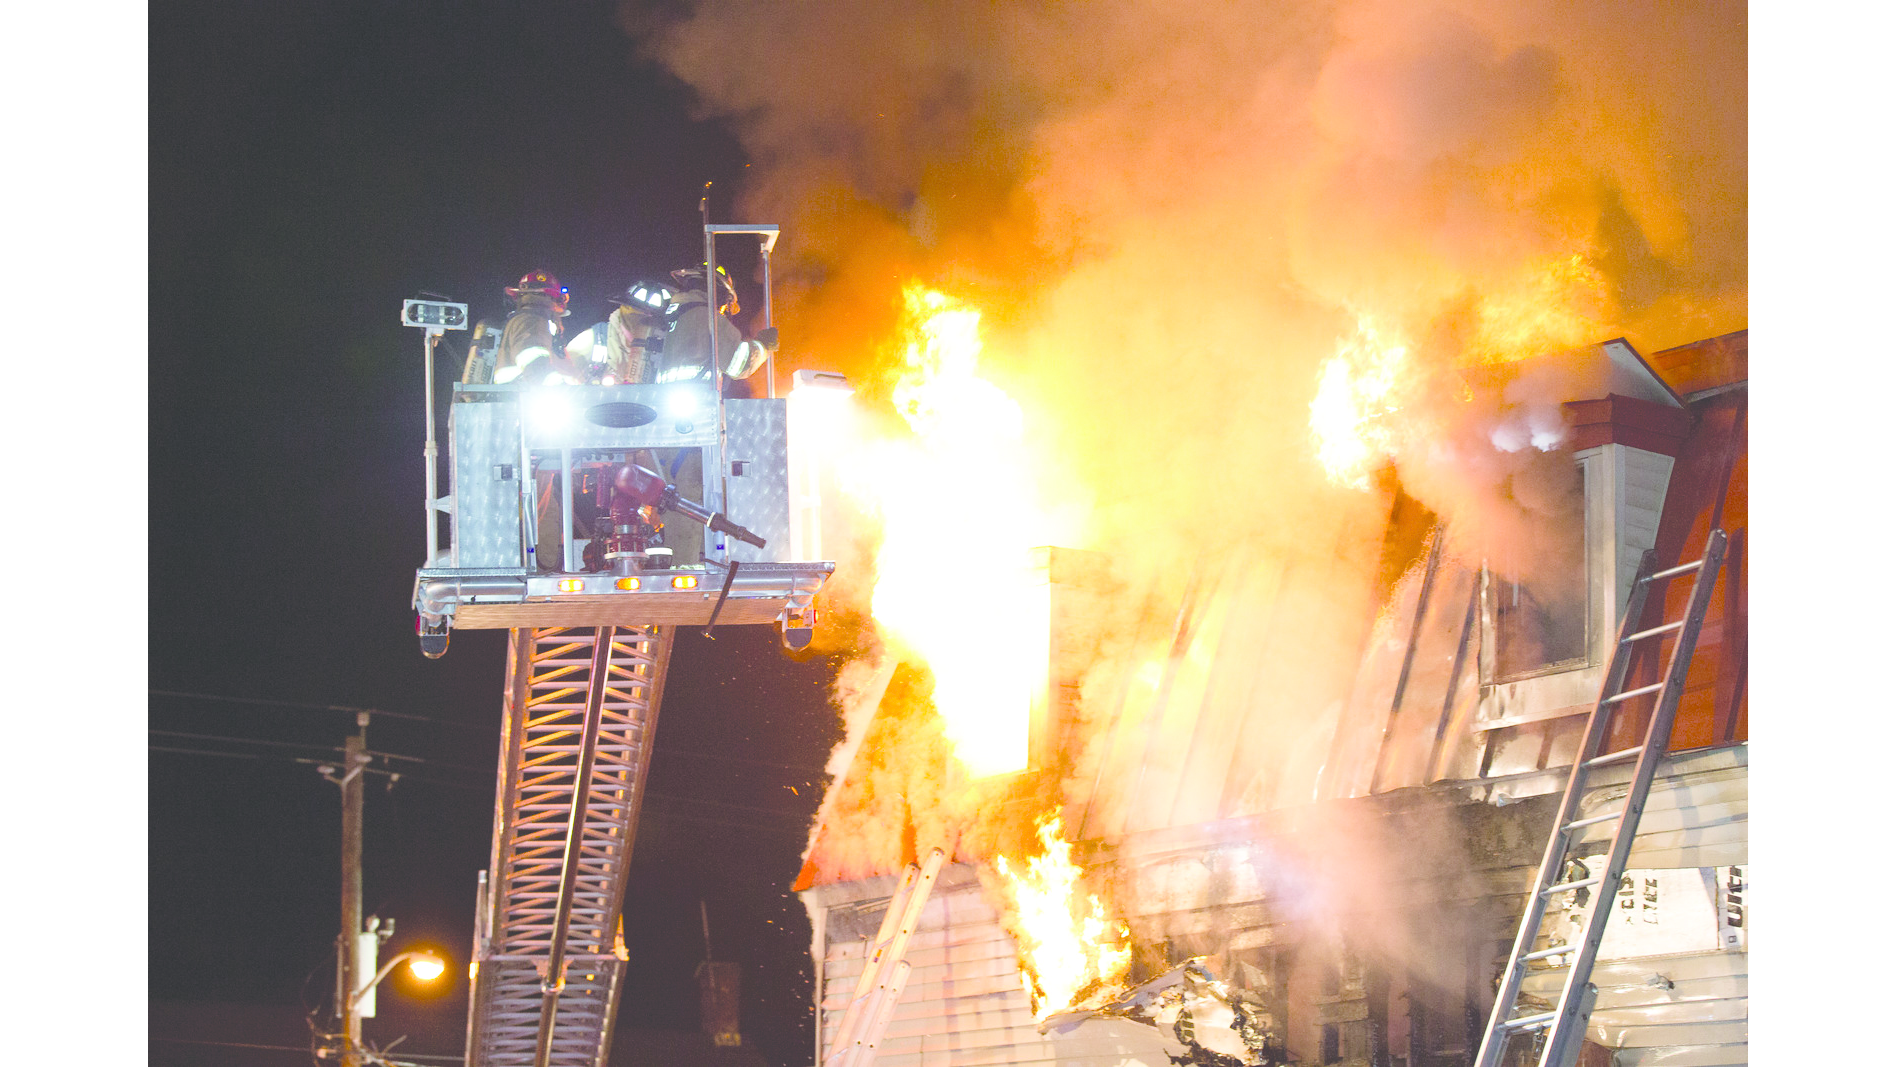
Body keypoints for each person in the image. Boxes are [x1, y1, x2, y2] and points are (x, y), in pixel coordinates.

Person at [492, 269, 583, 386]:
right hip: (519, 399)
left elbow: (561, 365)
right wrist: (562, 386)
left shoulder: (538, 321)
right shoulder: (531, 321)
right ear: (553, 298)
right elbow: (534, 363)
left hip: (518, 397)